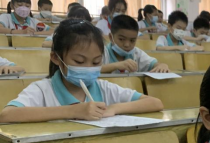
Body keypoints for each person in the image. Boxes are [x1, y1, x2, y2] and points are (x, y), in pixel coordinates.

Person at [0, 19, 163, 123]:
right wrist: (72, 111)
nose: (88, 68)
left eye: (96, 62)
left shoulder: (104, 88)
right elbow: (7, 115)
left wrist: (113, 109)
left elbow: (155, 103)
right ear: (56, 58)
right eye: (79, 61)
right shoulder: (43, 90)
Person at [103, 15, 170, 73]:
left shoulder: (136, 53)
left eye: (132, 40)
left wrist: (162, 65)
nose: (127, 45)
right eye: (121, 39)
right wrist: (116, 65)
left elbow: (153, 63)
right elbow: (93, 70)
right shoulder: (103, 52)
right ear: (111, 37)